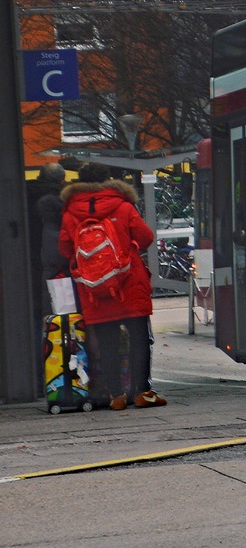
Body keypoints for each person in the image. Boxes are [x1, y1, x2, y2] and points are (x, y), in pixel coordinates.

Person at [59, 162, 166, 411]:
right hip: (128, 283)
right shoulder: (123, 205)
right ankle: (142, 393)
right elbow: (147, 237)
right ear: (107, 180)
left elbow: (65, 249)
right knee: (139, 339)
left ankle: (116, 396)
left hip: (94, 289)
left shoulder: (70, 212)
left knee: (107, 343)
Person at [30, 162, 69, 317]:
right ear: (61, 181)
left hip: (27, 259)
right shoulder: (61, 203)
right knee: (60, 311)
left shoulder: (23, 193)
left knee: (33, 307)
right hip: (56, 267)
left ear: (39, 176)